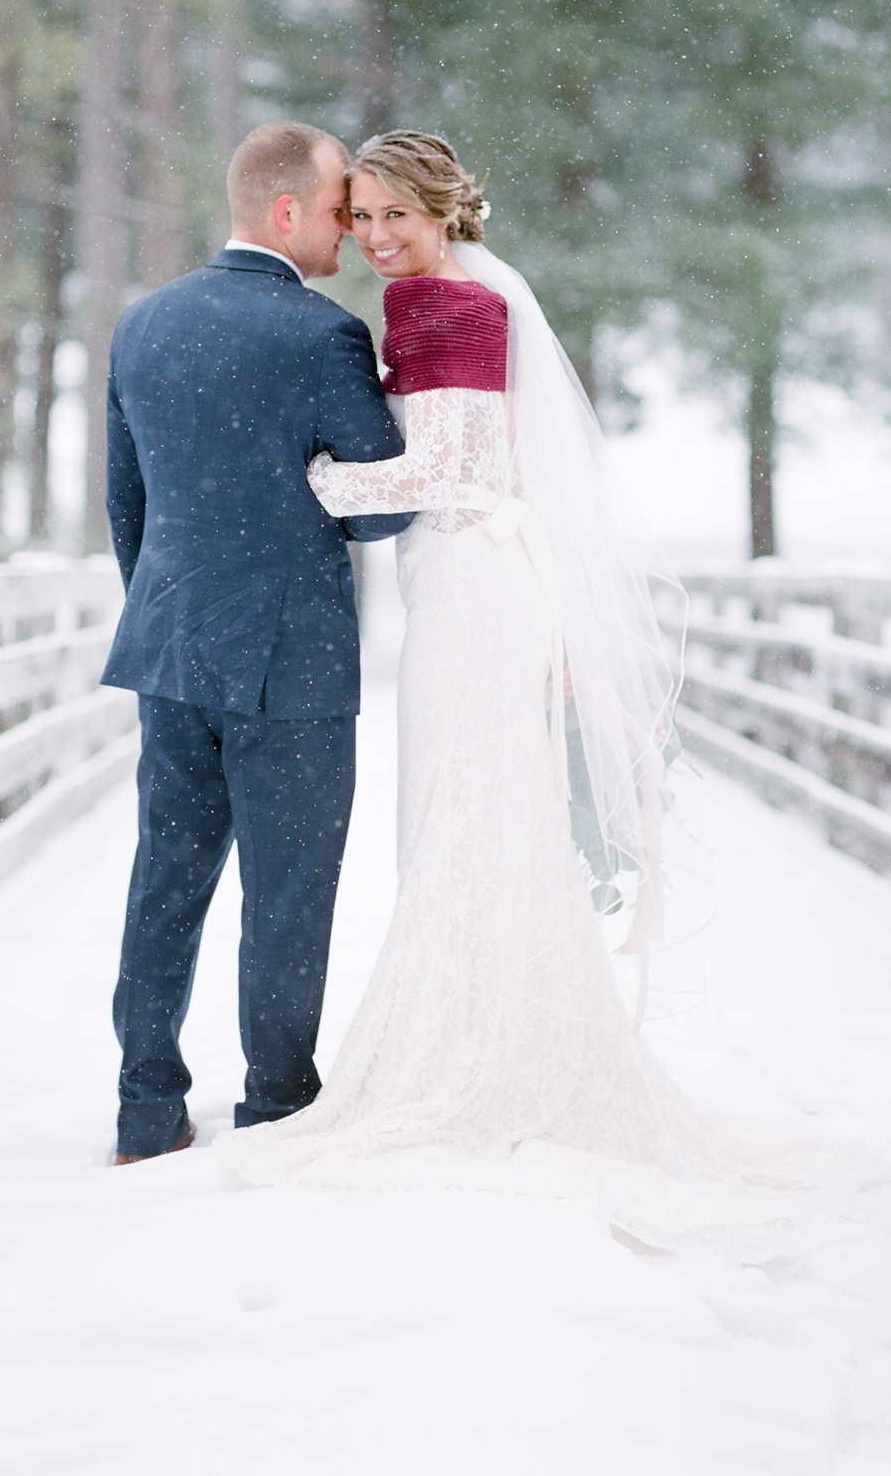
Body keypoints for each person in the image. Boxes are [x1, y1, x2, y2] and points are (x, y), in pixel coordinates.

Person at [224, 131, 722, 1217]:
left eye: (396, 214)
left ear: (445, 211)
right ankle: (501, 1036)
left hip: (474, 586)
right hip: (472, 581)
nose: (373, 236)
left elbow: (448, 473)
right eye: (358, 216)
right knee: (483, 808)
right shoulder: (456, 298)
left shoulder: (442, 307)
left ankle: (469, 1056)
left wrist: (308, 481)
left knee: (458, 809)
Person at [100, 121, 413, 1163]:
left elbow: (127, 507)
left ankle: (145, 1108)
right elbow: (377, 511)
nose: (349, 231)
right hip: (294, 665)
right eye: (337, 209)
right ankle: (276, 1105)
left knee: (166, 879)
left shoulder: (142, 325)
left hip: (172, 648)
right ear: (287, 211)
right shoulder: (320, 335)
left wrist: (178, 606)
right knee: (288, 894)